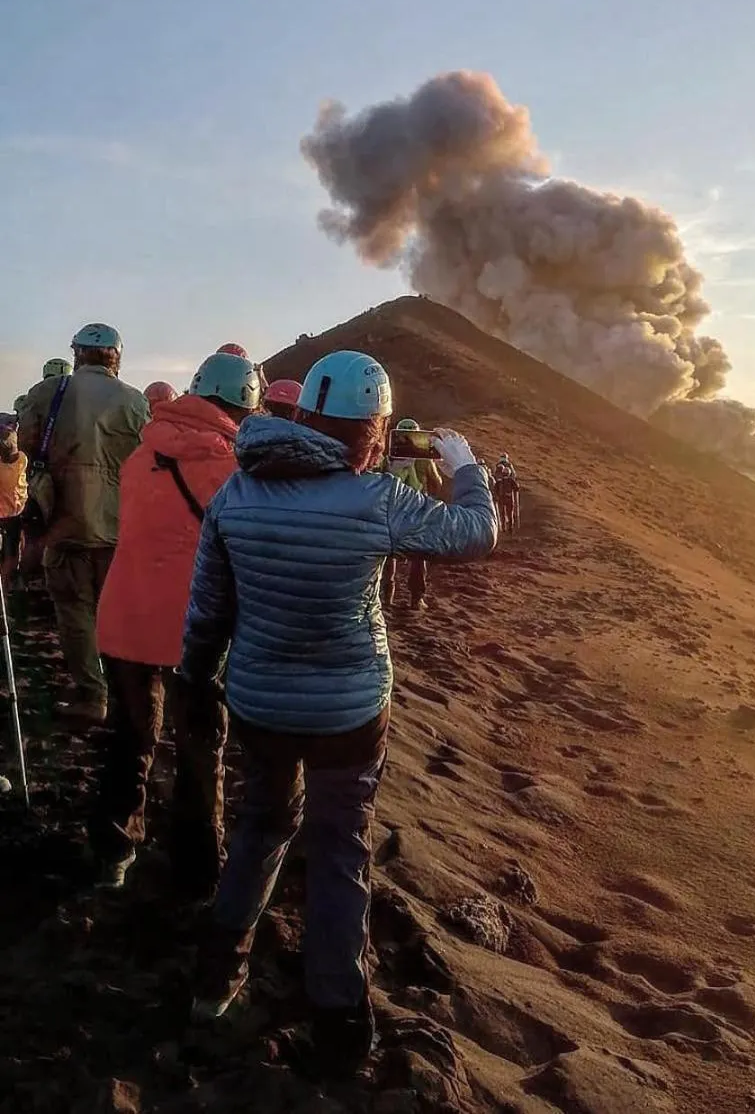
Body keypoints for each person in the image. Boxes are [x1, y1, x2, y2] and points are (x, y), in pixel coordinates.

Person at [180, 350, 496, 1077]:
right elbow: (476, 534)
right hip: (350, 712)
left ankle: (215, 981)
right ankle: (340, 1018)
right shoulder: (377, 499)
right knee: (341, 850)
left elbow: (208, 612)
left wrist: (196, 678)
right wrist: (466, 465)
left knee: (260, 827)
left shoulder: (237, 493)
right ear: (372, 431)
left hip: (258, 703)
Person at [90, 353, 262, 891]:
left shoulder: (142, 455)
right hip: (195, 631)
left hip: (124, 614)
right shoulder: (234, 473)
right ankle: (195, 870)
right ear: (242, 406)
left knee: (129, 737)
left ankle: (114, 850)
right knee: (198, 746)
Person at [18, 324, 150, 722]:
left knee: (75, 613)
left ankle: (93, 695)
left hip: (63, 522)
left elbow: (25, 445)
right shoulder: (134, 400)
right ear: (116, 355)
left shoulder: (48, 392)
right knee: (114, 611)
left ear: (77, 353)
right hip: (118, 526)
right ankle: (125, 691)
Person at [383, 418, 443, 611]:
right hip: (416, 509)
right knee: (419, 556)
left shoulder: (389, 457)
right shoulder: (424, 460)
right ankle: (416, 598)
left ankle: (387, 596)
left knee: (388, 555)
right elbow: (436, 483)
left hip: (392, 509)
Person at [0, 413, 28, 585]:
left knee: (11, 558)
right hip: (12, 516)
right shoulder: (21, 460)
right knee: (11, 559)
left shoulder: (21, 460)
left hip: (12, 517)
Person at [492, 453, 519, 533]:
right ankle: (510, 528)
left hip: (501, 497)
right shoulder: (510, 477)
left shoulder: (497, 468)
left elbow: (495, 487)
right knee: (509, 513)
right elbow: (516, 488)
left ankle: (503, 527)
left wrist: (495, 496)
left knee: (502, 513)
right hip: (509, 498)